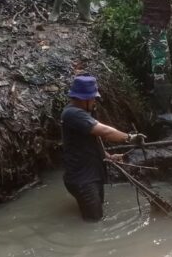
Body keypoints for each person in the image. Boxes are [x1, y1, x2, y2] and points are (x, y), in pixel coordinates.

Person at [61, 75, 145, 222]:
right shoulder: (73, 114)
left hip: (92, 174)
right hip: (83, 180)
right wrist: (130, 138)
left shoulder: (84, 112)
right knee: (94, 222)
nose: (95, 101)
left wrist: (108, 155)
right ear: (84, 99)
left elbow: (92, 140)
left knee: (98, 210)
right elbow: (105, 132)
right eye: (93, 98)